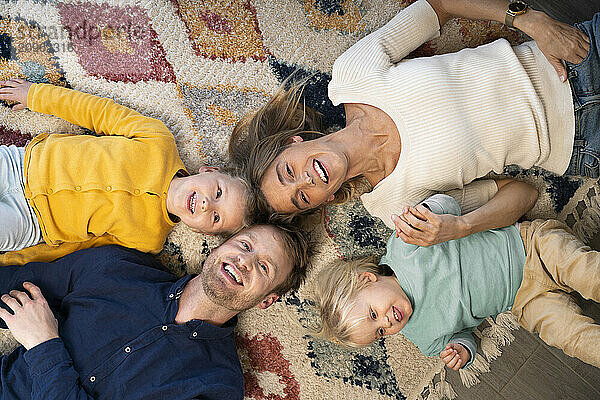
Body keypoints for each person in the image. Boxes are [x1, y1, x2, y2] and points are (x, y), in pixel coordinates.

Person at [229, 0, 595, 247]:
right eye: (303, 197)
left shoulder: (351, 77)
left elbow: (439, 5)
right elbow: (522, 193)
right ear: (322, 203)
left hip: (572, 53)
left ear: (293, 142)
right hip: (583, 144)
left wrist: (530, 20)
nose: (306, 180)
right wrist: (460, 228)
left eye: (287, 172)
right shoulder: (396, 208)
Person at [0, 222, 310, 399]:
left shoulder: (218, 387)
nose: (245, 261)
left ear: (266, 300)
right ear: (217, 247)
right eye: (245, 245)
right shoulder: (117, 266)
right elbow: (13, 287)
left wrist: (44, 346)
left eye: (264, 267)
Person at [312, 194, 600, 371]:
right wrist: (462, 350)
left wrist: (428, 214)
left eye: (374, 314)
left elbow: (448, 204)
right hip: (525, 302)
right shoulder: (422, 338)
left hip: (531, 246)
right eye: (380, 333)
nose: (387, 323)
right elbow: (463, 337)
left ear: (367, 279)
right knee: (574, 339)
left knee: (590, 274)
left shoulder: (404, 245)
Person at [0, 79, 256, 266]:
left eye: (214, 218)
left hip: (33, 222)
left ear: (201, 232)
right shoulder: (159, 140)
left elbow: (82, 246)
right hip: (23, 164)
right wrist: (36, 95)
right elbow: (98, 112)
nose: (205, 204)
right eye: (218, 192)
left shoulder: (149, 241)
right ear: (210, 170)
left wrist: (15, 260)